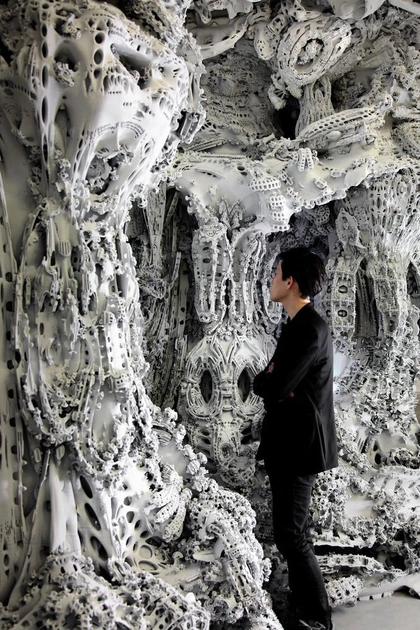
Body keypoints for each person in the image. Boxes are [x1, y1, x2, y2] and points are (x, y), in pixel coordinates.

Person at [254, 247, 338, 630]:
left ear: (289, 281)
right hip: (291, 443)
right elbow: (270, 382)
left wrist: (273, 382)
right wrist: (273, 382)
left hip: (298, 446)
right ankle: (305, 611)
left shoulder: (307, 328)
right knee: (291, 533)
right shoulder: (299, 325)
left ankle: (316, 618)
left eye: (276, 273)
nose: (271, 280)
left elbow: (274, 384)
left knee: (292, 535)